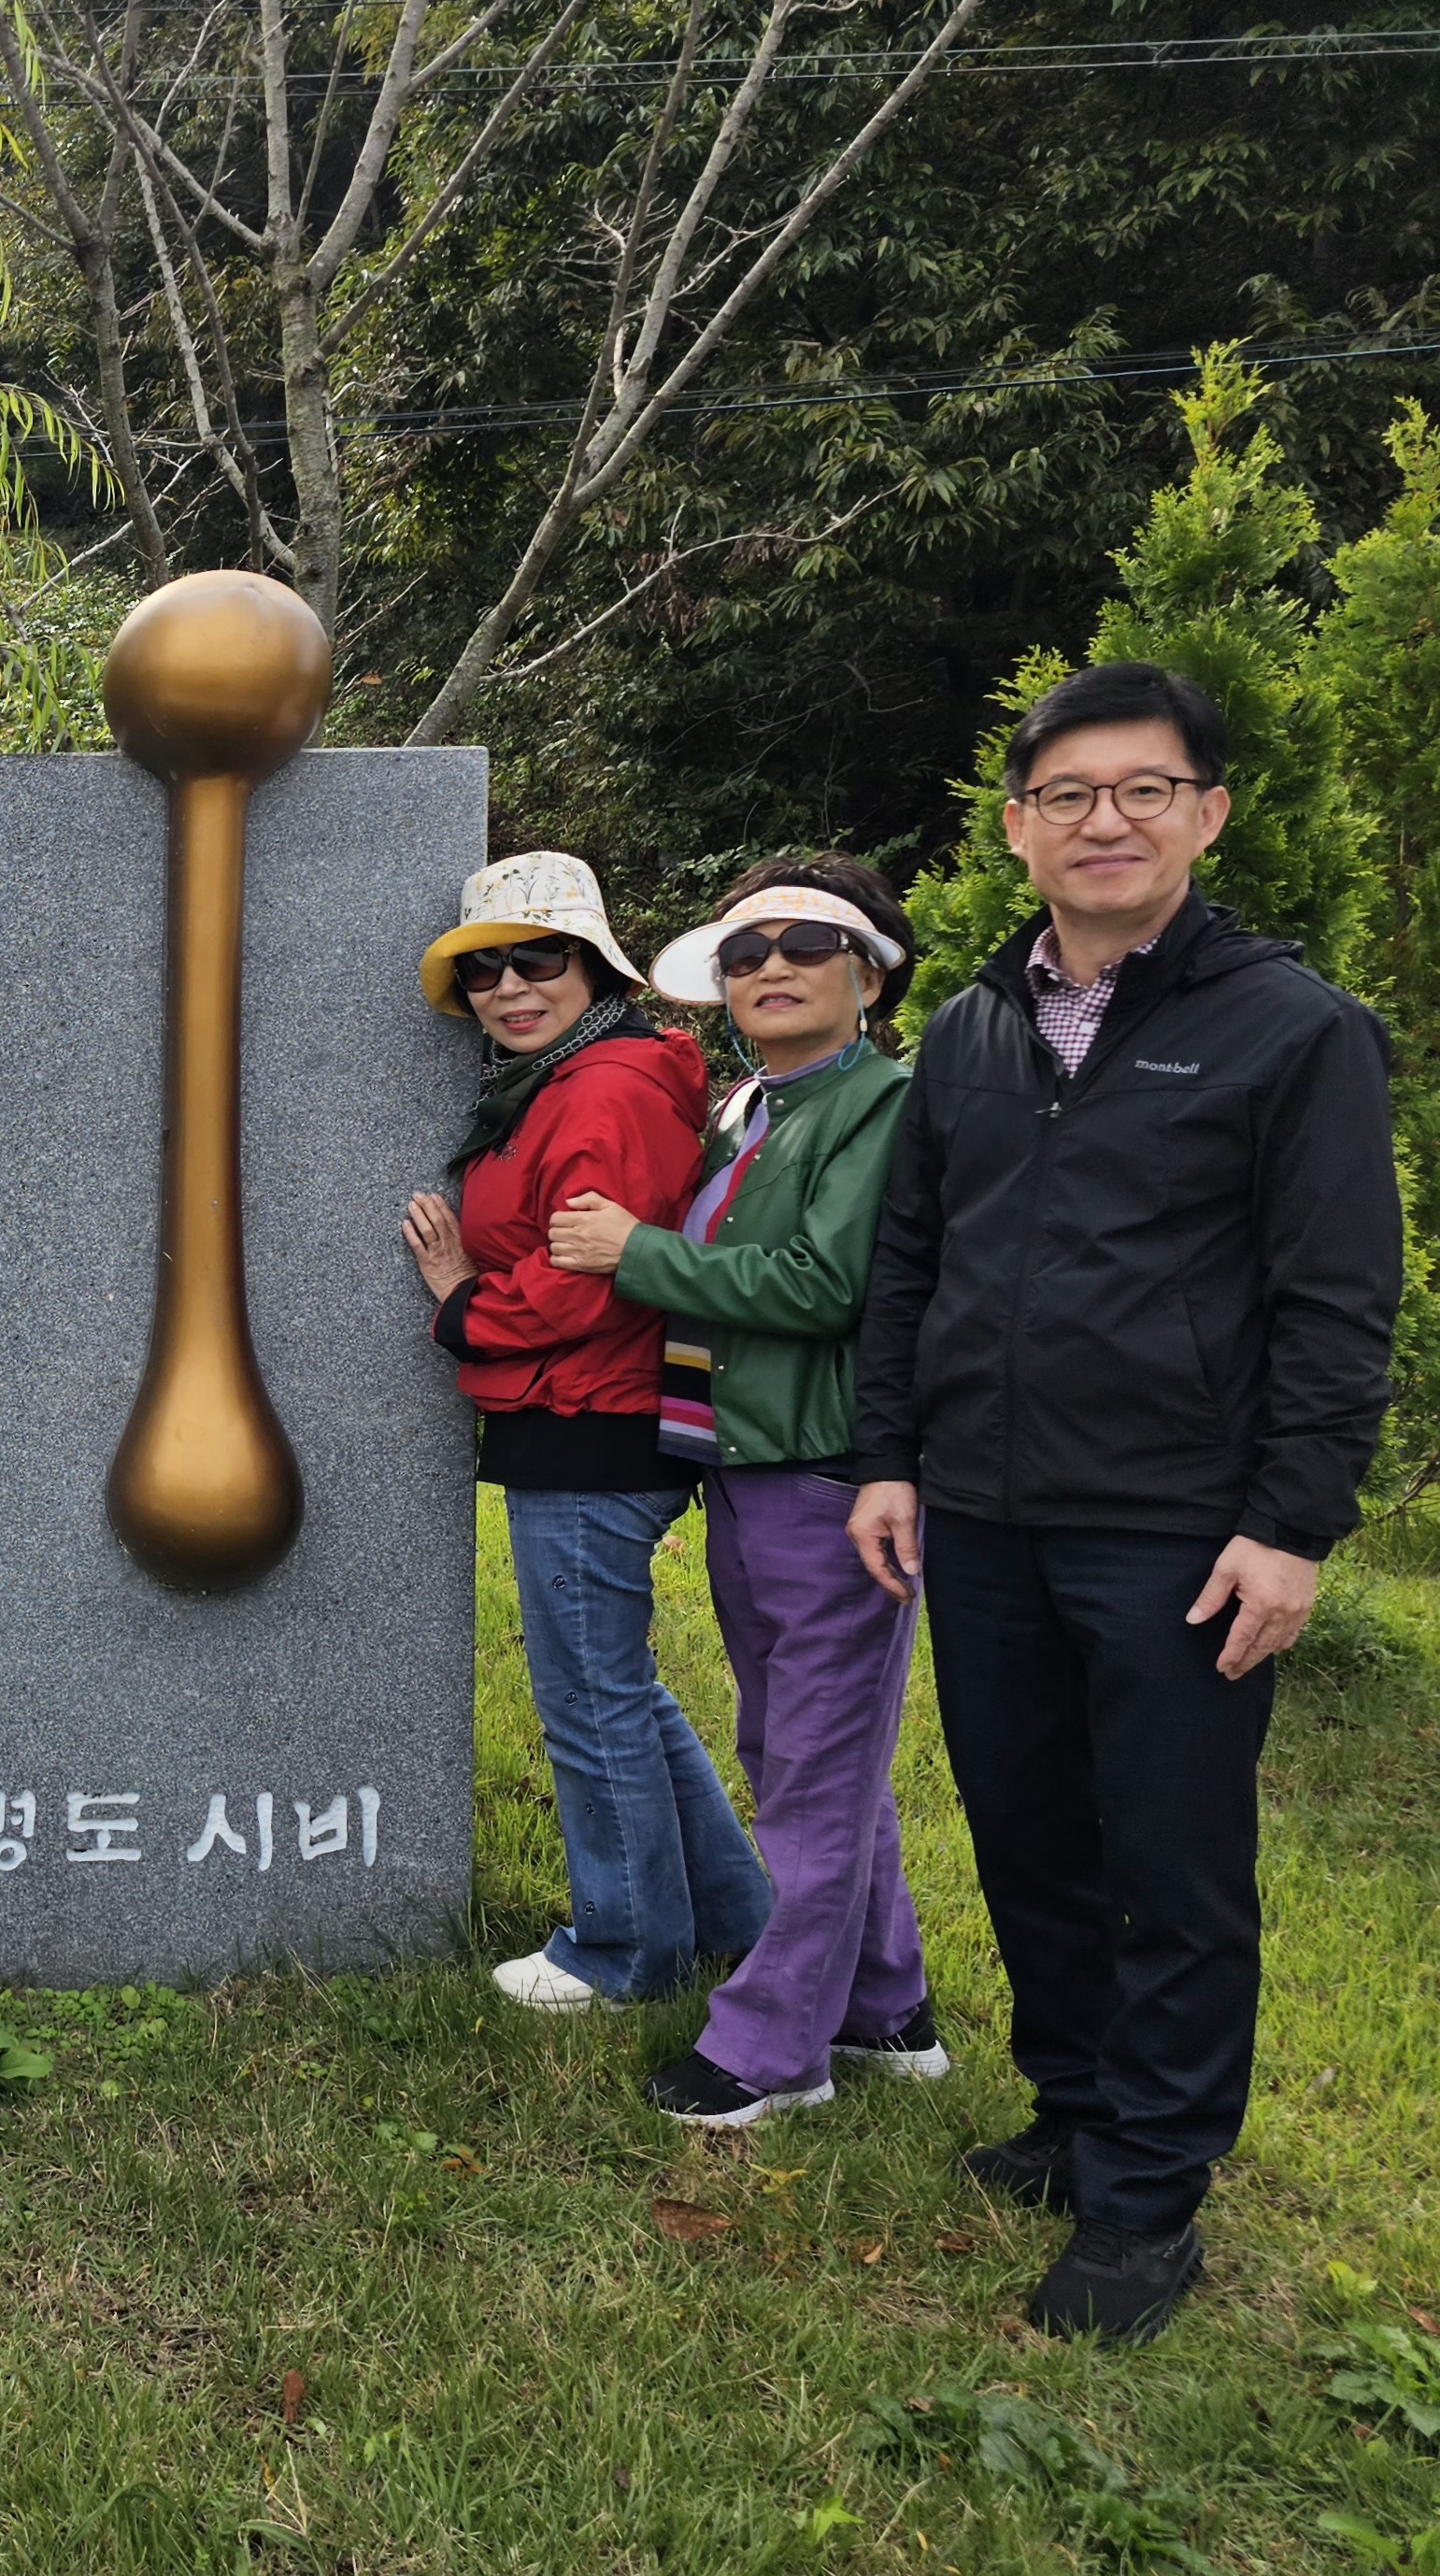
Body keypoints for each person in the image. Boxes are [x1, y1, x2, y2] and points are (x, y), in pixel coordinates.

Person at [848, 662, 1402, 2342]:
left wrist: (1290, 1525)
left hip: (1178, 1528)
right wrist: (889, 1455)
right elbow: (909, 1261)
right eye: (1066, 796)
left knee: (1170, 1863)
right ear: (1018, 828)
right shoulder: (970, 1029)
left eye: (1142, 790)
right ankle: (1077, 2108)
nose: (1104, 821)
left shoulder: (1291, 1030)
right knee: (1027, 1834)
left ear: (1204, 813)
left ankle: (1149, 2194)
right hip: (983, 1513)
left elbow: (1334, 1301)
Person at [545, 857, 942, 2127]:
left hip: (832, 1479)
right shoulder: (752, 1107)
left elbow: (826, 1285)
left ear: (869, 976)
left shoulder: (881, 1107)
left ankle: (772, 2052)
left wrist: (636, 1253)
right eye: (744, 951)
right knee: (804, 1751)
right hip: (748, 1466)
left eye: (804, 946)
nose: (770, 967)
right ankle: (887, 2009)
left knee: (813, 1771)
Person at [403, 852, 769, 2013]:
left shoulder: (604, 1087)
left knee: (590, 1703)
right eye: (485, 972)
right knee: (619, 1689)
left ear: (596, 967)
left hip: (590, 1418)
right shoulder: (559, 1079)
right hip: (580, 1414)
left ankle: (623, 1952)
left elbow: (586, 1280)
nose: (511, 988)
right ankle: (733, 1920)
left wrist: (461, 1303)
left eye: (540, 960)